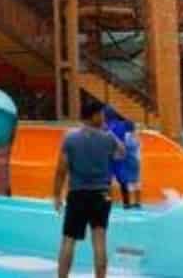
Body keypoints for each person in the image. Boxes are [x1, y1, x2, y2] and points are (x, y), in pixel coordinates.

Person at [53, 99, 126, 278]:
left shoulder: (70, 138)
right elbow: (121, 153)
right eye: (101, 114)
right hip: (101, 194)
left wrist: (57, 195)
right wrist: (108, 133)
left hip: (77, 194)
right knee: (99, 241)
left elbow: (61, 170)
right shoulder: (107, 138)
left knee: (69, 240)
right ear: (93, 116)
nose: (104, 118)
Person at [104, 107, 142, 209]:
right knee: (124, 180)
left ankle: (107, 201)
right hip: (122, 156)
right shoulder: (124, 125)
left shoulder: (105, 125)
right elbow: (132, 138)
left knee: (107, 179)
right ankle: (127, 203)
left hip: (109, 155)